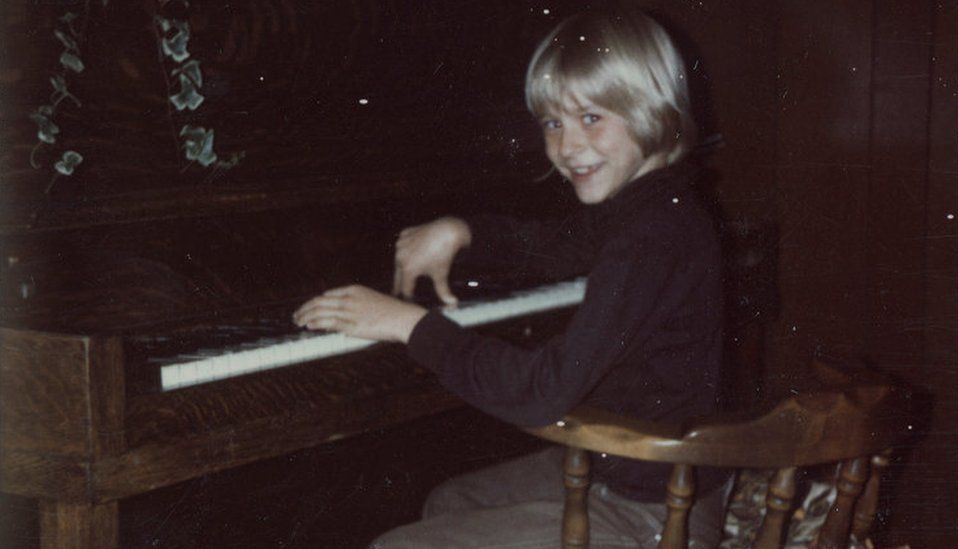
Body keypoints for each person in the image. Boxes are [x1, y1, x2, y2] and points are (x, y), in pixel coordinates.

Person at [293, 5, 730, 547]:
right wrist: (463, 230)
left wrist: (411, 326)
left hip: (660, 508)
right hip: (628, 466)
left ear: (651, 110)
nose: (567, 147)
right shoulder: (648, 205)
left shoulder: (653, 236)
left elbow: (542, 391)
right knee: (451, 501)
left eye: (591, 118)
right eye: (553, 123)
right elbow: (552, 246)